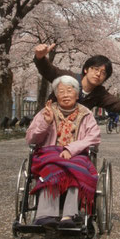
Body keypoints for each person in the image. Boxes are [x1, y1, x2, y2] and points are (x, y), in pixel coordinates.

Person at [26, 75, 101, 229]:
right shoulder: (46, 111)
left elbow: (93, 137)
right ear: (56, 95)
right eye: (61, 92)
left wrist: (71, 149)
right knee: (52, 168)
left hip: (76, 155)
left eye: (69, 90)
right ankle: (45, 215)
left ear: (77, 94)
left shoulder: (86, 114)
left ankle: (69, 215)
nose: (66, 95)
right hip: (50, 154)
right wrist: (45, 123)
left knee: (75, 170)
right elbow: (31, 138)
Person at [34, 43, 120, 115]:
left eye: (103, 73)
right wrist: (40, 58)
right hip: (51, 121)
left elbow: (113, 102)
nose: (98, 74)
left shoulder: (99, 93)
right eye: (96, 69)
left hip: (75, 130)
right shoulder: (68, 78)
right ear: (86, 70)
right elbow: (49, 70)